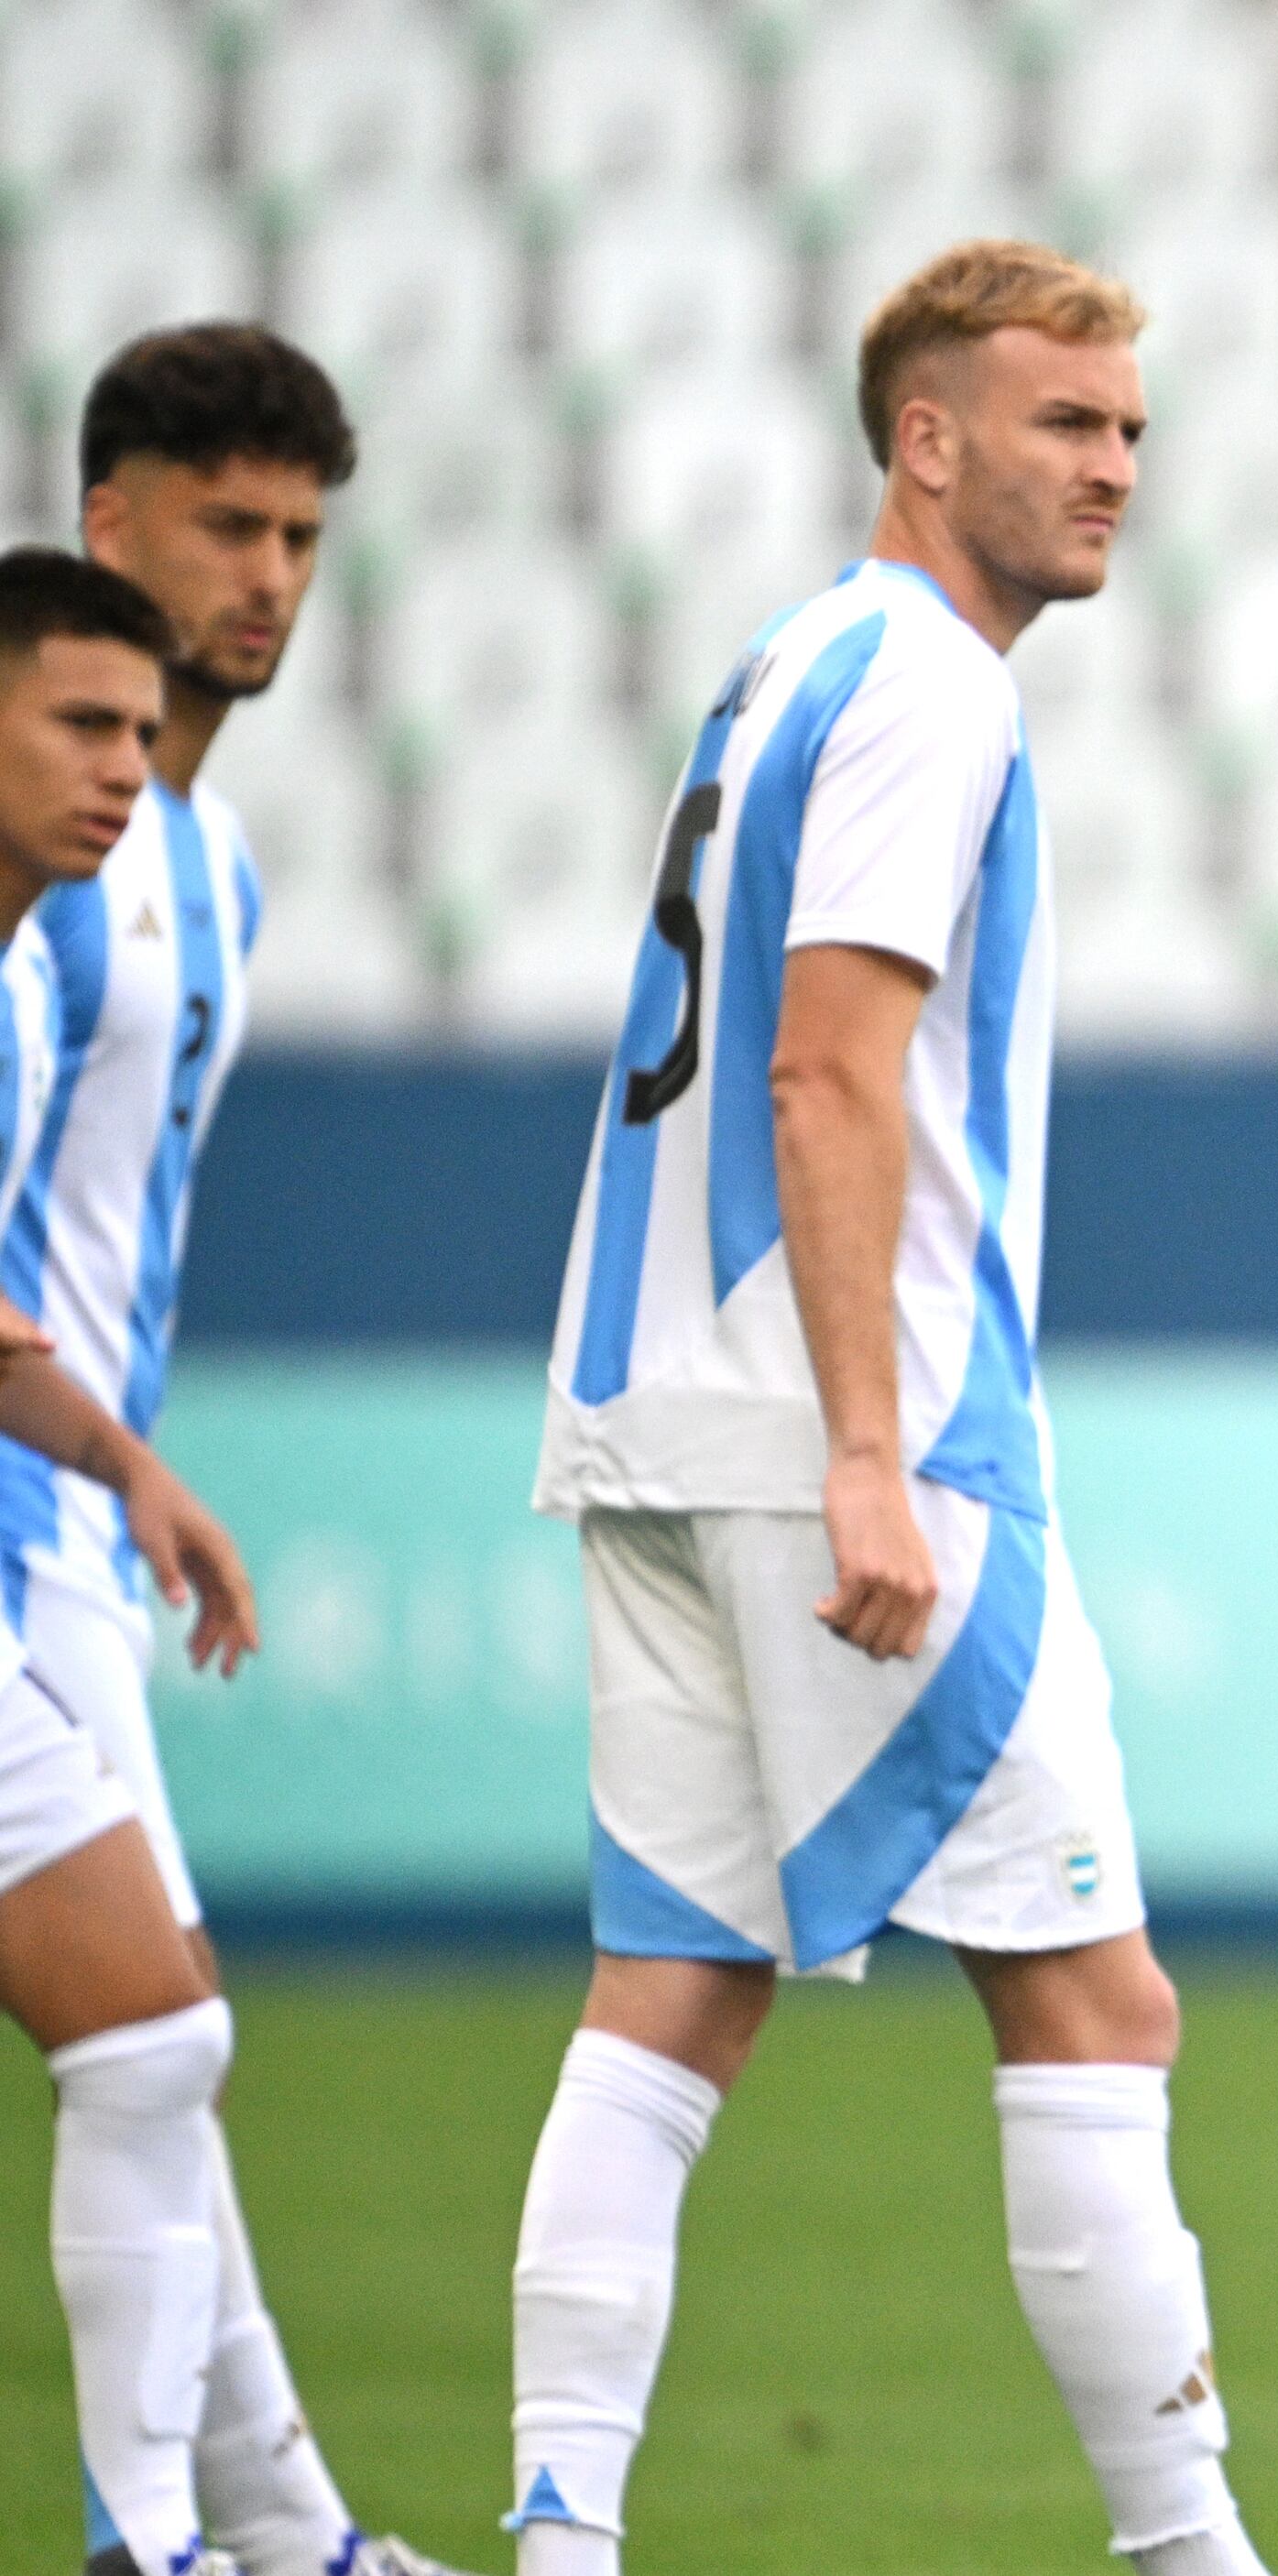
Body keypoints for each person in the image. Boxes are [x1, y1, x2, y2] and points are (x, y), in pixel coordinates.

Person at [504, 242, 1278, 2576]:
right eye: (1065, 422)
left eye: (1129, 427)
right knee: (1098, 2001)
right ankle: (1195, 2555)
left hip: (654, 1407)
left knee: (669, 1992)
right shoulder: (934, 685)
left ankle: (559, 2532)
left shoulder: (790, 658)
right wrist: (867, 1445)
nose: (1113, 468)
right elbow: (826, 1068)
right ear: (924, 439)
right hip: (857, 1426)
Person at [65, 324, 475, 2576]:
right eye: (227, 524)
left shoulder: (206, 860)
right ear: (105, 521)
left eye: (303, 537)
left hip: (72, 1510)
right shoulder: (45, 853)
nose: (271, 578)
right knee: (152, 2036)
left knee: (159, 2034)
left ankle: (278, 2529)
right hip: (29, 1509)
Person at [0, 544, 271, 2576]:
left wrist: (126, 1469)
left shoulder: (21, 980)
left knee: (156, 2029)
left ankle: (155, 2544)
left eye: (141, 730)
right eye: (81, 723)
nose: (124, 766)